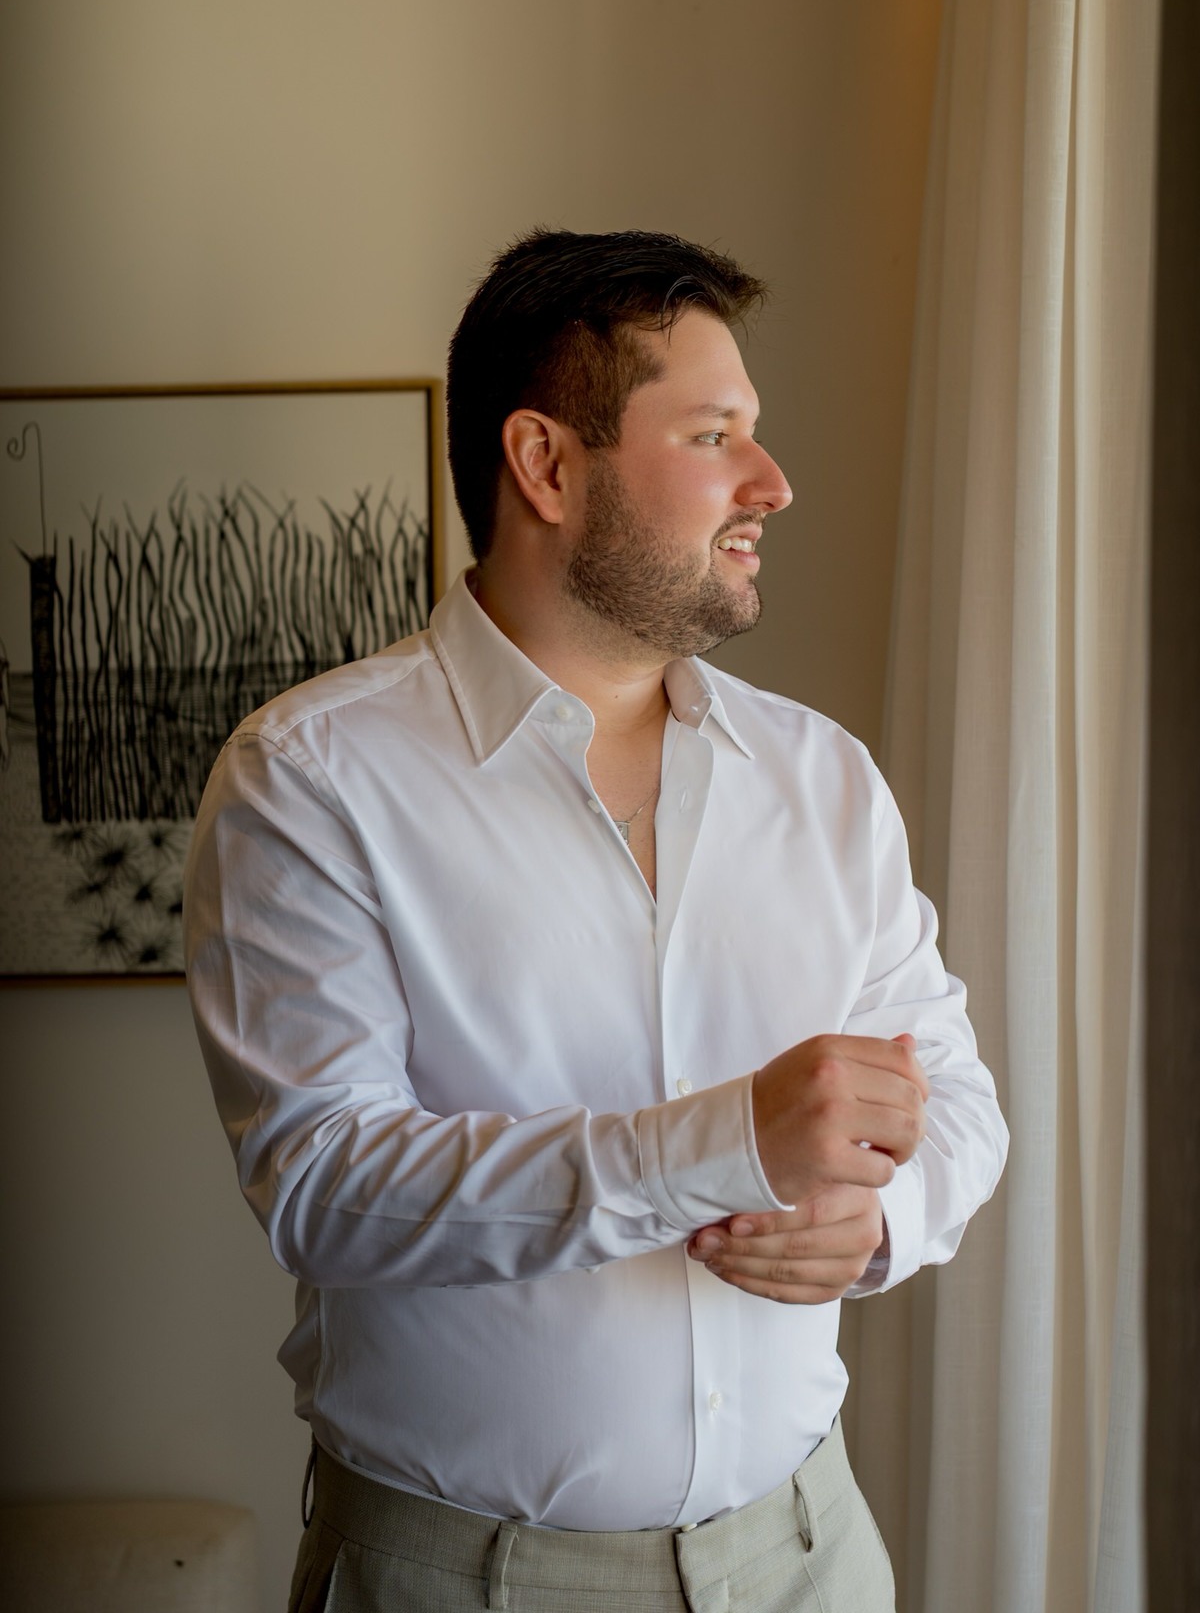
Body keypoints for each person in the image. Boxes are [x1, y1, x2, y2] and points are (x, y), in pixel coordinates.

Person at [184, 228, 1008, 1612]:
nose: (772, 481)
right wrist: (724, 1145)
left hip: (813, 1555)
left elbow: (961, 1098)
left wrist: (881, 1222)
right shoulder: (309, 780)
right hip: (470, 1581)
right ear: (547, 465)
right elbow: (324, 1184)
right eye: (714, 435)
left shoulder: (823, 778)